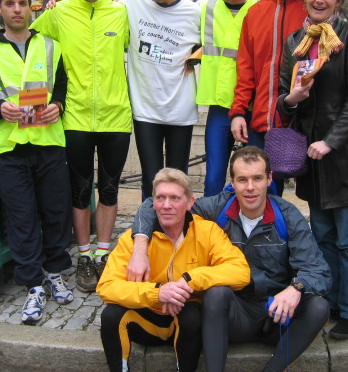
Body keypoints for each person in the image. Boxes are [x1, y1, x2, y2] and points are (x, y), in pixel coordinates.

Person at [0, 0, 132, 292]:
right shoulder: (58, 14)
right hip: (72, 117)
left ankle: (104, 253)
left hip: (116, 116)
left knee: (111, 187)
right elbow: (21, 35)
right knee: (80, 189)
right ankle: (84, 255)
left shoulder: (121, 14)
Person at [128, 146, 330, 371]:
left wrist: (296, 288)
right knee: (216, 292)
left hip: (276, 312)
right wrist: (139, 247)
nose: (250, 187)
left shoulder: (287, 214)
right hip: (232, 313)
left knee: (319, 307)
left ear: (269, 179)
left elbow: (318, 270)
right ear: (232, 182)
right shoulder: (218, 208)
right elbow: (151, 205)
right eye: (242, 179)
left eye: (257, 178)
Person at [0, 0, 73, 324]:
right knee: (22, 219)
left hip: (48, 143)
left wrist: (58, 104)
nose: (17, 9)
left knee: (56, 212)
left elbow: (61, 86)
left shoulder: (50, 46)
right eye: (10, 4)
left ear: (32, 7)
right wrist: (0, 110)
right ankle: (33, 286)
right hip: (10, 146)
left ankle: (56, 272)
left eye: (22, 3)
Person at [277, 0, 348, 340]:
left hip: (344, 155)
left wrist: (331, 140)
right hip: (310, 158)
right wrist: (292, 98)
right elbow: (286, 99)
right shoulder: (295, 41)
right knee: (321, 234)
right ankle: (329, 301)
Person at [98, 167, 250, 372]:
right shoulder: (134, 239)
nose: (166, 205)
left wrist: (188, 280)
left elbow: (240, 271)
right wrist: (157, 293)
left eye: (175, 198)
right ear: (153, 203)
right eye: (160, 198)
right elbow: (107, 286)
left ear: (190, 203)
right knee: (110, 315)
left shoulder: (208, 231)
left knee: (192, 316)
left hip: (186, 321)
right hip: (146, 320)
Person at [229, 0, 307, 196]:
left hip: (304, 119)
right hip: (264, 119)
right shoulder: (255, 13)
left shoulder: (312, 10)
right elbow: (246, 70)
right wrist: (239, 111)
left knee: (313, 194)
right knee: (264, 194)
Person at [120, 0, 201, 199]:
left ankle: (179, 231)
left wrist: (198, 54)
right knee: (151, 177)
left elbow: (213, 40)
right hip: (146, 108)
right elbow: (99, 11)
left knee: (178, 177)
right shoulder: (133, 1)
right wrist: (61, 2)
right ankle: (149, 231)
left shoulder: (194, 12)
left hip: (181, 108)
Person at [196, 0, 258, 196]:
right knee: (213, 177)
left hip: (253, 105)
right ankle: (211, 229)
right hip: (220, 104)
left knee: (257, 174)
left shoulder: (260, 10)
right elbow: (172, 6)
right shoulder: (206, 6)